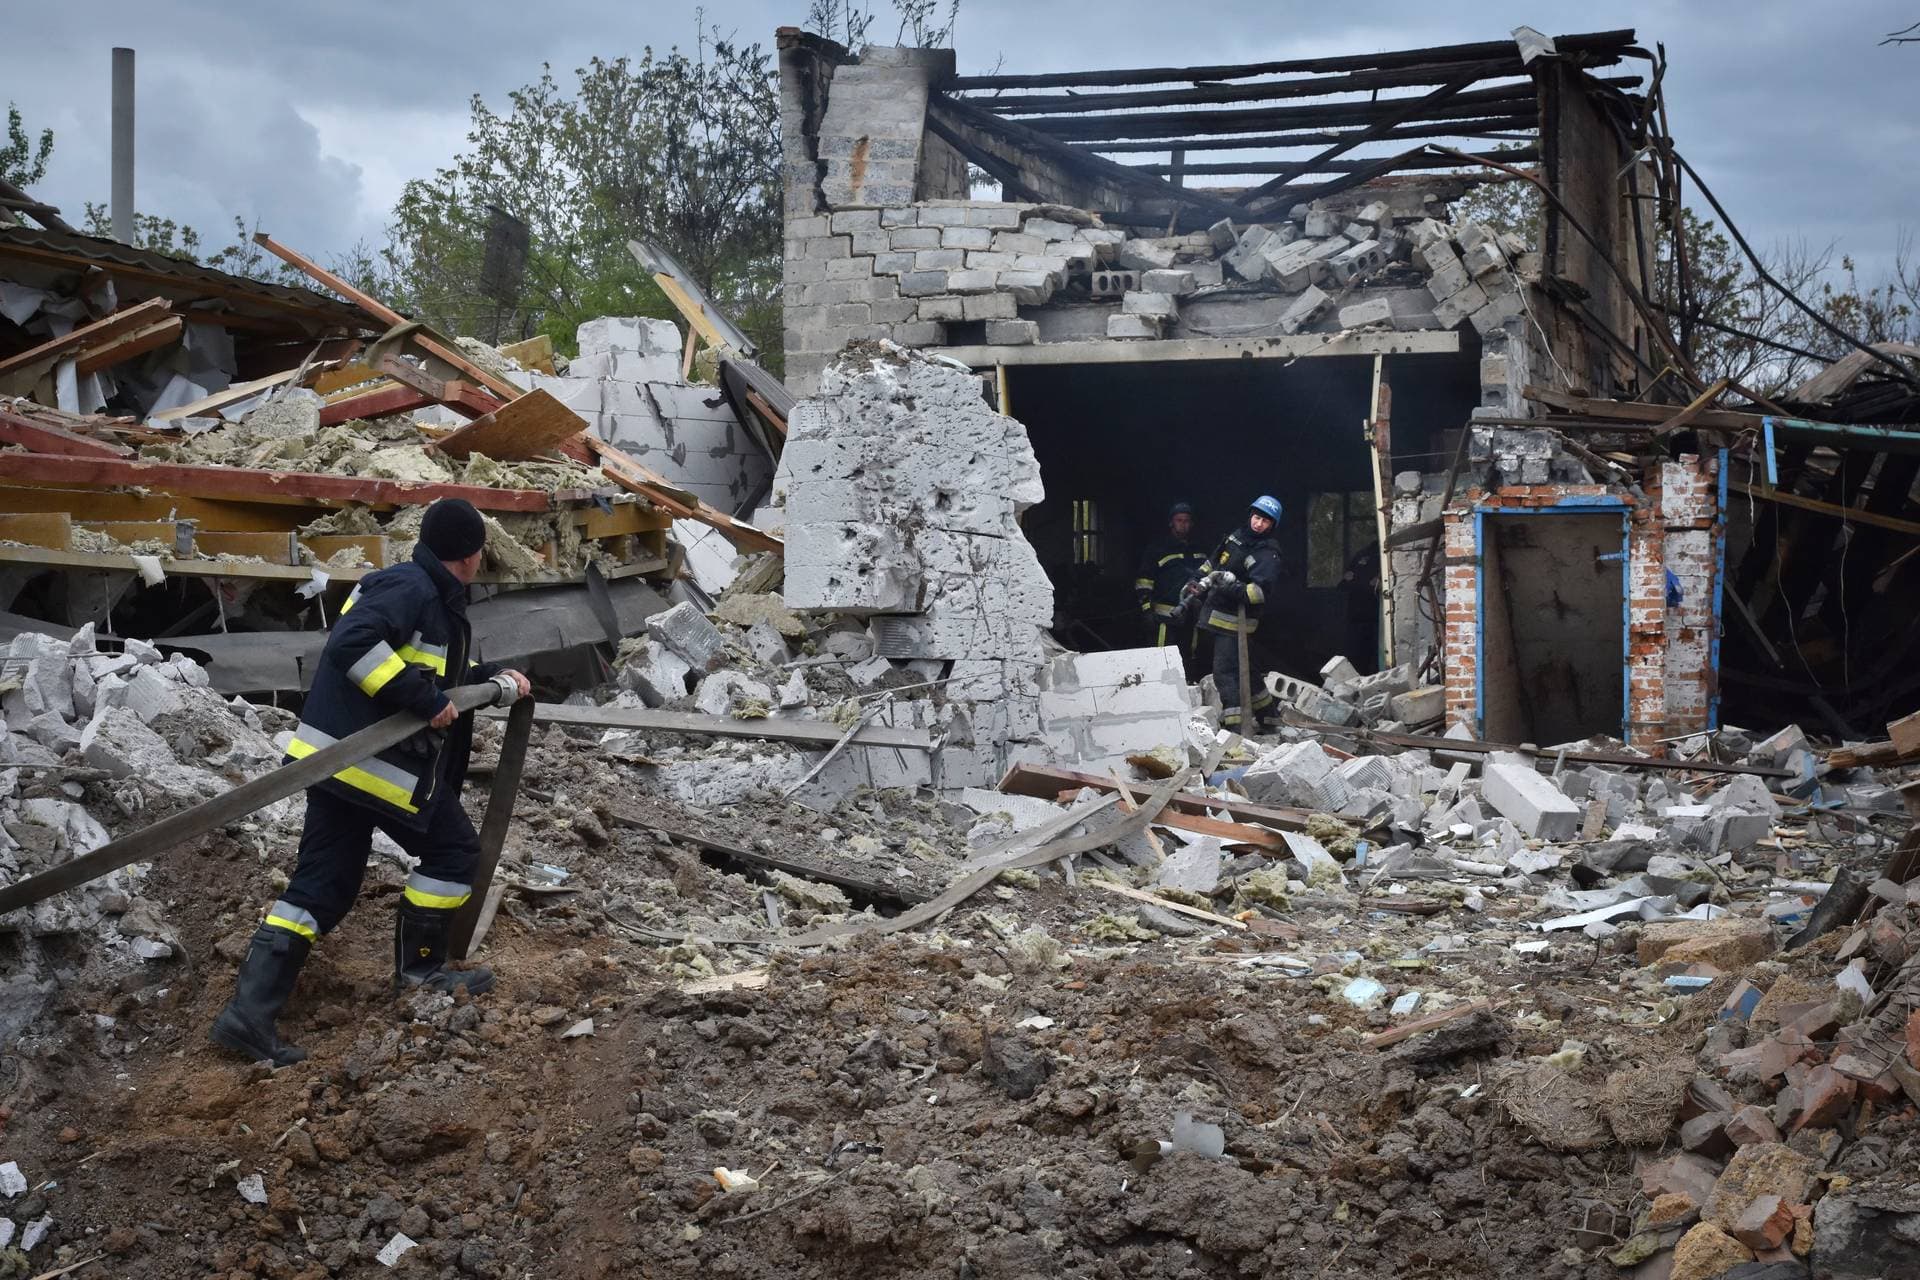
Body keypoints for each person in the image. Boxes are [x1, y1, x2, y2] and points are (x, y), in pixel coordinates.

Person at [210, 499, 532, 1067]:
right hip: (375, 769)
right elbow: (353, 643)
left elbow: (423, 667)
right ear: (470, 555)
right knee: (454, 852)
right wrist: (423, 699)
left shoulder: (416, 588)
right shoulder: (414, 590)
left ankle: (248, 1014)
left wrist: (488, 679)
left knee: (322, 888)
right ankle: (421, 974)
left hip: (338, 767)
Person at [1188, 494, 1284, 732]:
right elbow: (1213, 563)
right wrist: (1197, 579)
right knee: (1247, 671)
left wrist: (1229, 586)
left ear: (1272, 525)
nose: (1259, 524)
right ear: (1250, 514)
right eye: (1257, 517)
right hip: (1217, 615)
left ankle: (1235, 728)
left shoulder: (1267, 553)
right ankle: (1269, 719)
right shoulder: (1236, 537)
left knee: (1225, 673)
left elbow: (1259, 593)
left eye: (1265, 521)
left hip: (1236, 623)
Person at [1134, 501, 1210, 675]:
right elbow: (1144, 581)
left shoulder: (1199, 549)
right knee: (1162, 658)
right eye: (1179, 520)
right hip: (1165, 619)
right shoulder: (1158, 549)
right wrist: (1146, 609)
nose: (1183, 524)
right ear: (1171, 523)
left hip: (1192, 617)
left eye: (1186, 521)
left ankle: (1189, 685)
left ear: (1192, 524)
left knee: (1189, 656)